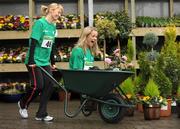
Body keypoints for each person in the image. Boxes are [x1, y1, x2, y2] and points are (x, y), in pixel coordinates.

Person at [18, 3, 64, 122]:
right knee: (38, 86)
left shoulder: (53, 26)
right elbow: (33, 42)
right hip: (34, 60)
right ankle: (23, 104)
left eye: (60, 13)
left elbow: (51, 45)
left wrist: (52, 62)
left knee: (50, 85)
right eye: (57, 12)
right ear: (50, 10)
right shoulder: (40, 23)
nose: (59, 15)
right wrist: (31, 60)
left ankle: (41, 114)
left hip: (44, 62)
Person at [69, 26, 100, 111]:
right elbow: (77, 71)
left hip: (87, 77)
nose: (95, 38)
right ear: (86, 36)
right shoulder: (78, 51)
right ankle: (88, 103)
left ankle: (93, 103)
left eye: (96, 36)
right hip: (78, 78)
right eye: (93, 36)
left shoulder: (90, 51)